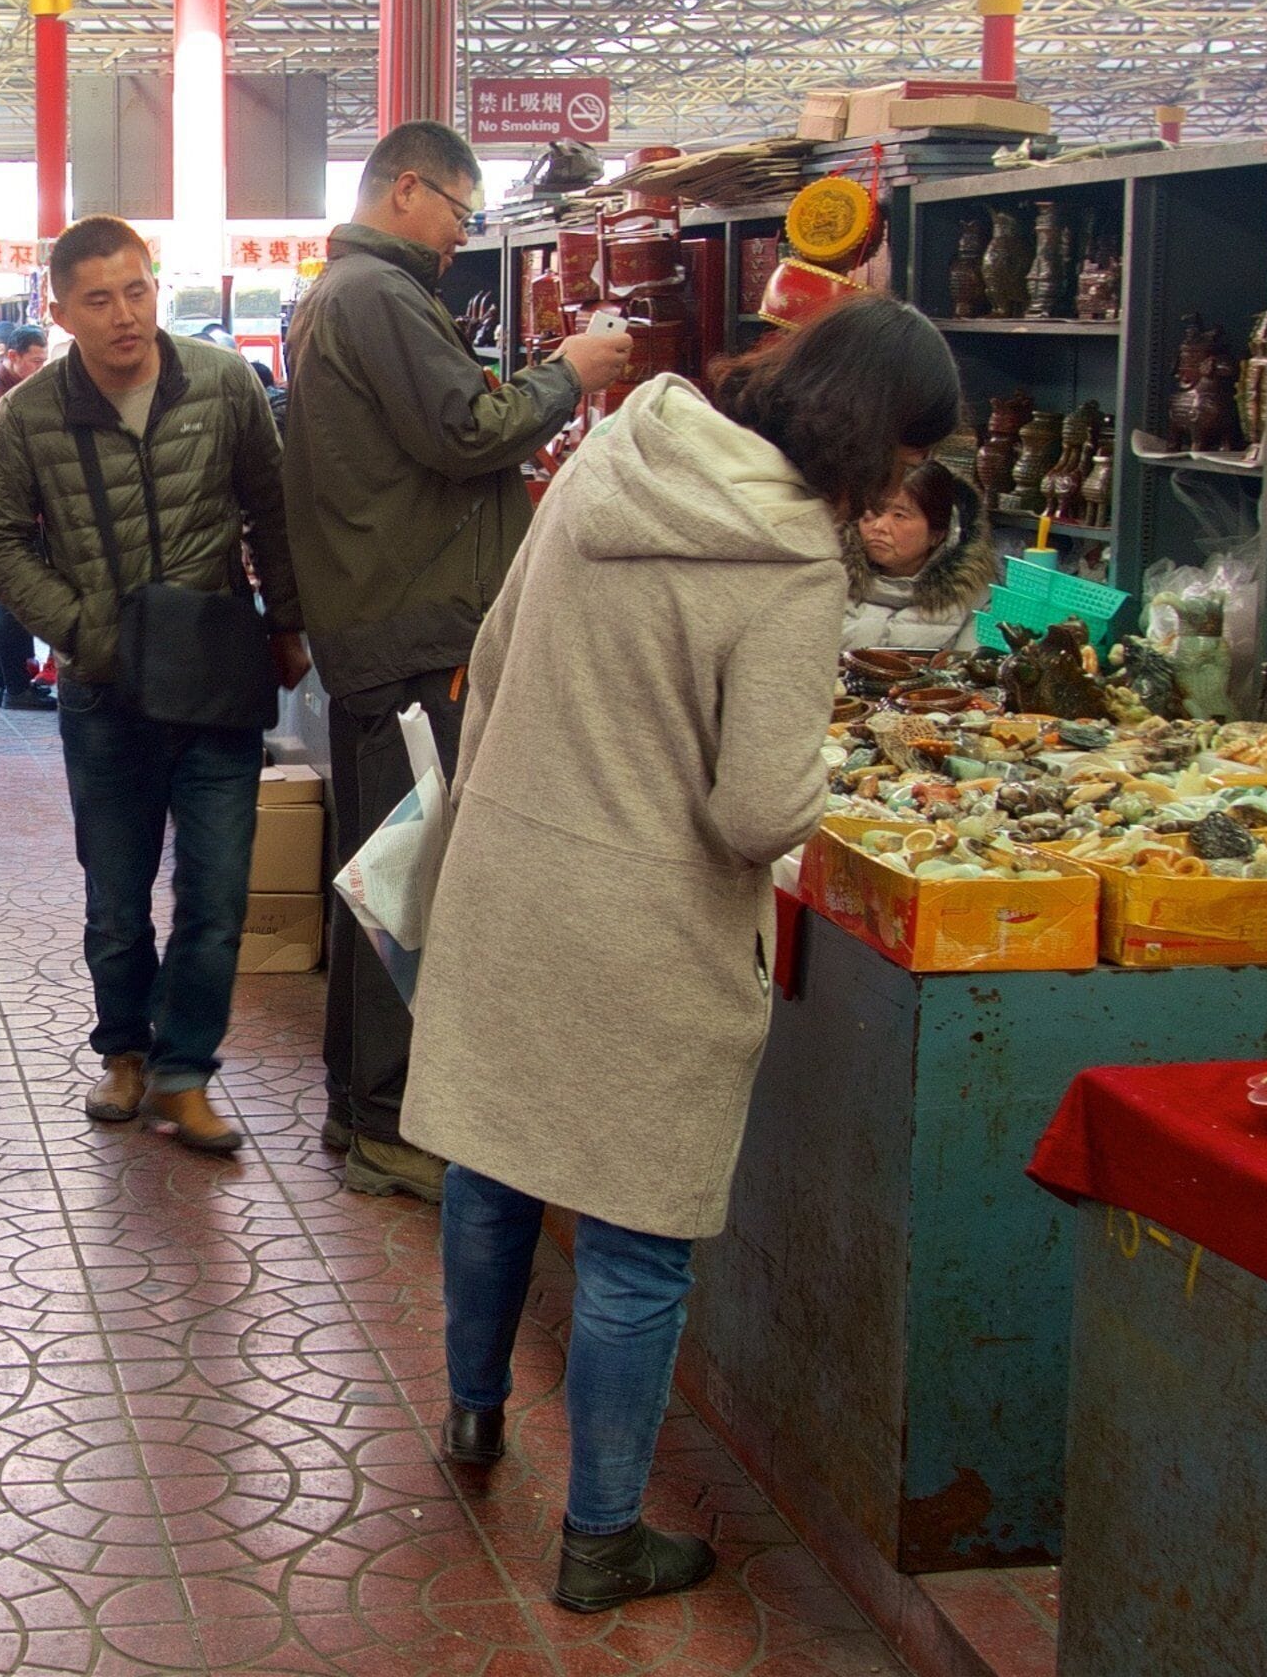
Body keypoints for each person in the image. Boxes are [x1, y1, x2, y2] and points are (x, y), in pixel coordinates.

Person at [405, 295, 959, 1613]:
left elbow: (491, 648)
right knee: (638, 1239)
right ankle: (601, 1539)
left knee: (498, 1160)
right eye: (908, 453)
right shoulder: (788, 562)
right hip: (643, 924)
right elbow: (757, 810)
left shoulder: (618, 450)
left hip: (512, 875)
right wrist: (839, 778)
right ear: (878, 440)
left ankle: (475, 1420)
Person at [282, 119, 633, 1204]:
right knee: (410, 883)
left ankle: (362, 1110)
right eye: (460, 214)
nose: (459, 237)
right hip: (412, 627)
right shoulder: (377, 297)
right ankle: (390, 1126)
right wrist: (563, 375)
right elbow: (468, 432)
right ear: (409, 191)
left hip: (385, 622)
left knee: (382, 877)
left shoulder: (348, 295)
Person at [0, 216, 306, 1156]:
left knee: (217, 893)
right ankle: (123, 1051)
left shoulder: (223, 381)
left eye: (137, 291)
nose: (125, 316)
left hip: (214, 676)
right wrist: (87, 632)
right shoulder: (29, 414)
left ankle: (184, 1070)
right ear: (60, 310)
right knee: (116, 901)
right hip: (104, 693)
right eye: (98, 299)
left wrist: (287, 624)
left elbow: (271, 507)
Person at [0, 326, 54, 710]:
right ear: (13, 356)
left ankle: (3, 680)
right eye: (36, 361)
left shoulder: (5, 392)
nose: (41, 369)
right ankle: (9, 684)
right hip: (6, 514)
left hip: (6, 511)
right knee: (7, 600)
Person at [838, 460, 993, 652]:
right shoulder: (831, 575)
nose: (879, 527)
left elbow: (970, 672)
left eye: (899, 516)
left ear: (937, 534)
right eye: (875, 511)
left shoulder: (974, 600)